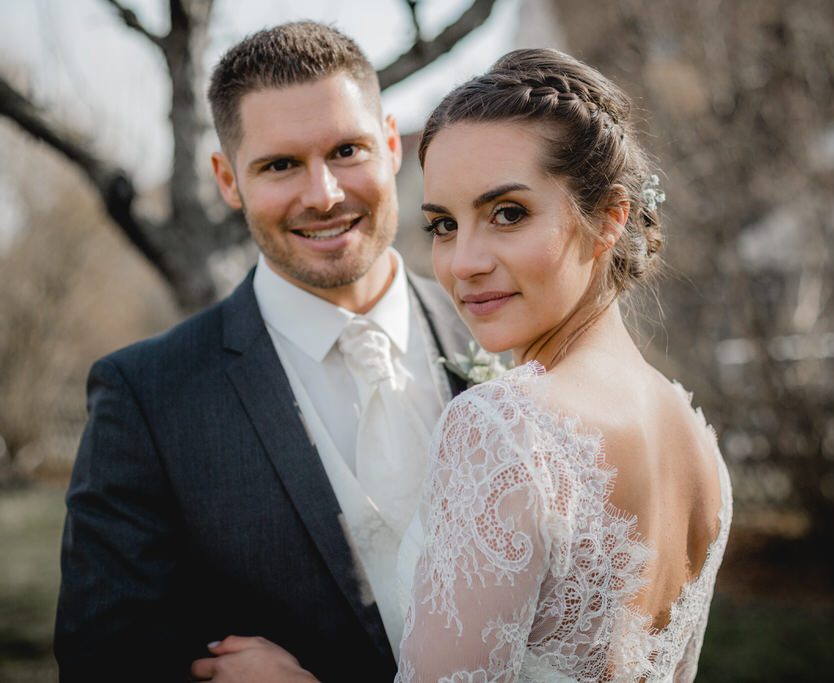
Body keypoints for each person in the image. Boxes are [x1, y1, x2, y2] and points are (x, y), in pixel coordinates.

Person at [205, 47, 734, 681]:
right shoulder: (694, 435)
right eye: (445, 225)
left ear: (609, 219)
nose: (463, 263)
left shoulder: (505, 425)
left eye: (507, 214)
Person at [53, 21, 470, 682]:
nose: (323, 193)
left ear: (391, 144)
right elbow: (104, 658)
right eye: (280, 165)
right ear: (227, 179)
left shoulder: (501, 337)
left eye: (347, 149)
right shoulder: (147, 396)